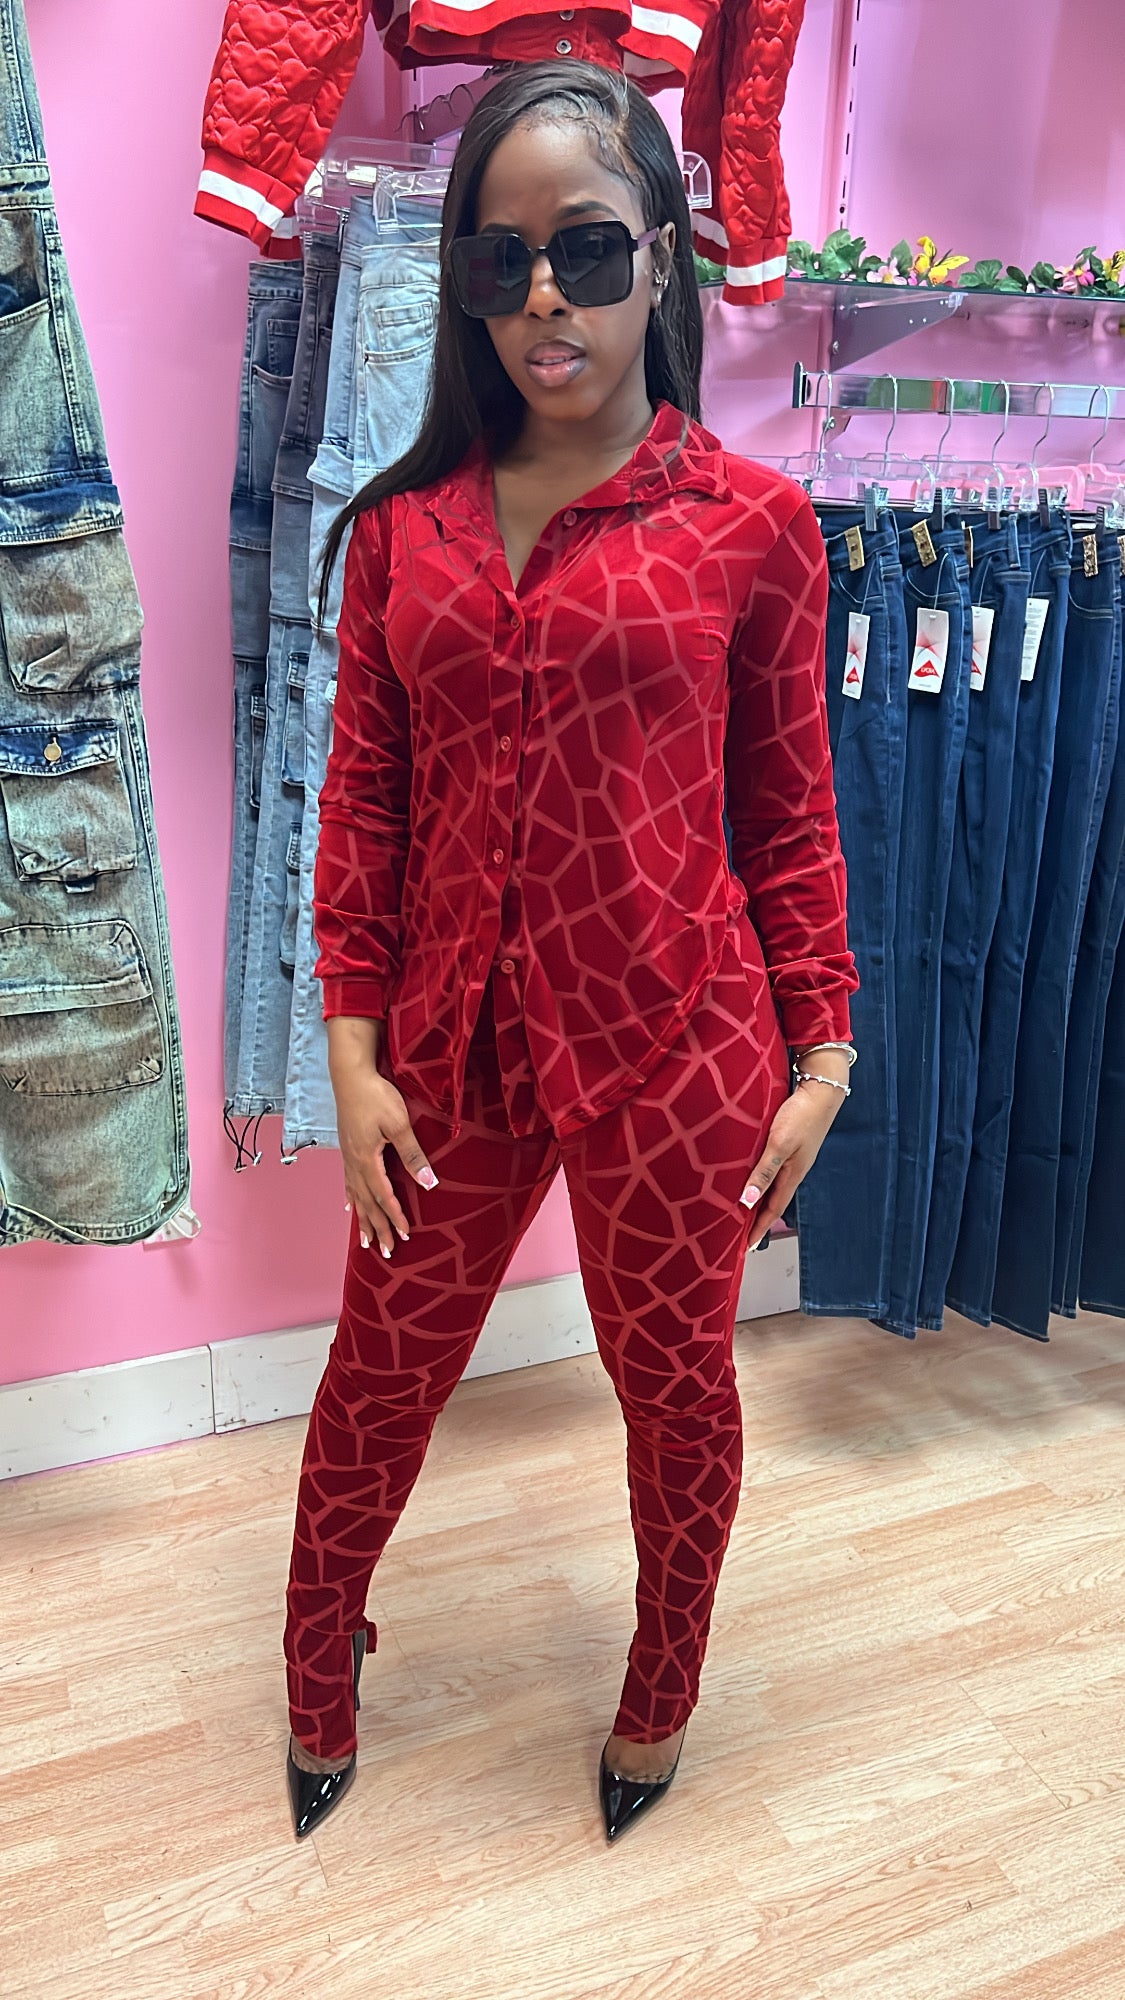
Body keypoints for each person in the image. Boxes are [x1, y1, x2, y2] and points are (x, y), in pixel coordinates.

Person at [283, 57, 858, 1845]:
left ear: (661, 258)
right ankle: (316, 1663)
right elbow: (363, 805)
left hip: (678, 1049)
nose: (544, 296)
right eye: (500, 258)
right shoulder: (402, 531)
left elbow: (787, 815)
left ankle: (659, 1688)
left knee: (673, 1392)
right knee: (377, 1376)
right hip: (445, 1050)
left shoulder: (754, 528)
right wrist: (351, 1055)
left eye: (587, 250)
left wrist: (823, 1052)